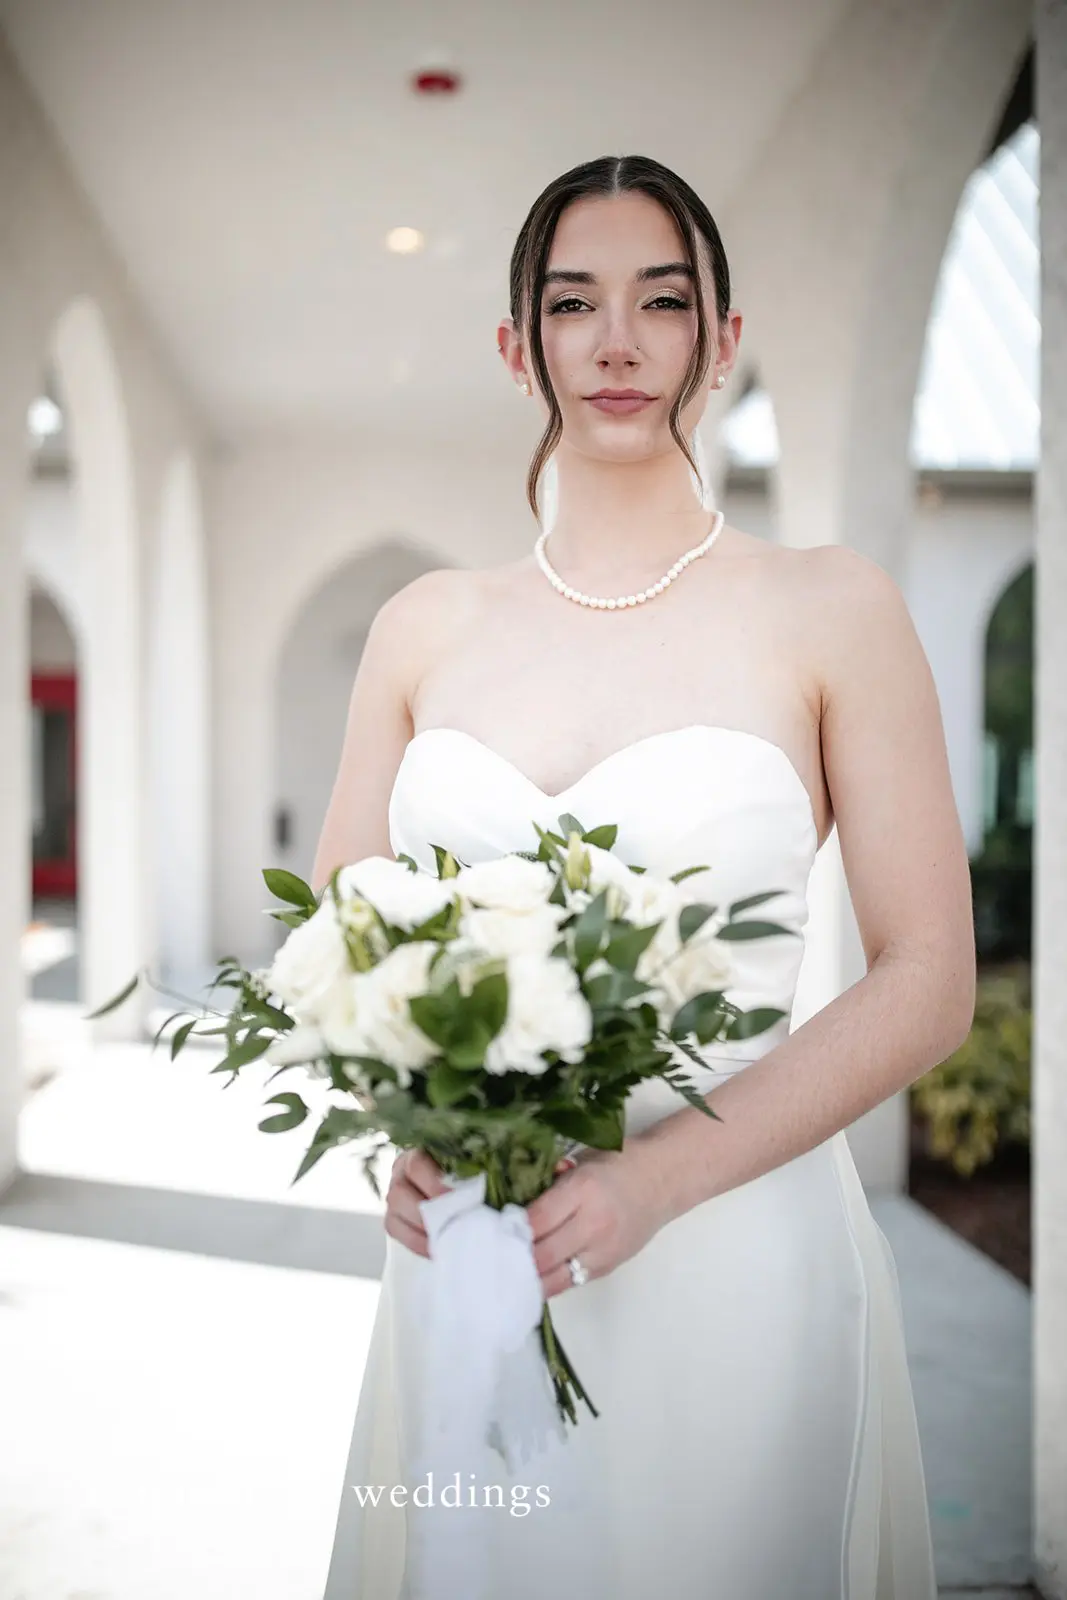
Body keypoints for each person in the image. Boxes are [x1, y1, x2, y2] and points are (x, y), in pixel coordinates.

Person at [314, 154, 975, 1599]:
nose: (616, 343)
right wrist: (401, 1131)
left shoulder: (831, 609)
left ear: (720, 337)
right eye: (572, 304)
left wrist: (664, 1182)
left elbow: (927, 978)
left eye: (660, 302)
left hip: (739, 1262)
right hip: (478, 1258)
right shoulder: (422, 626)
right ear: (516, 345)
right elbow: (340, 941)